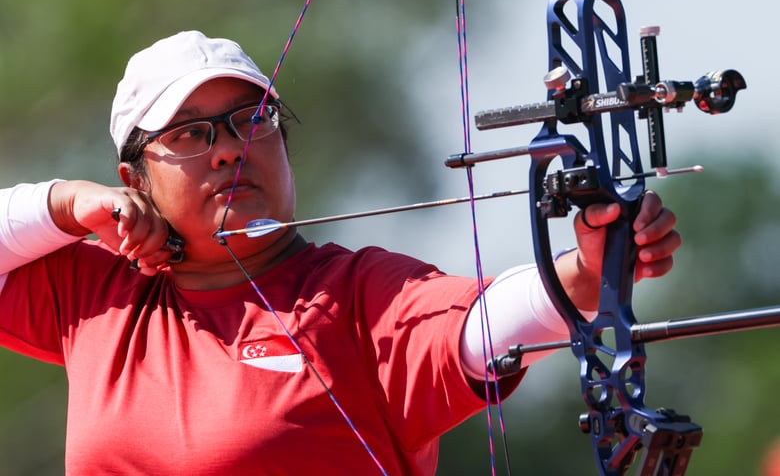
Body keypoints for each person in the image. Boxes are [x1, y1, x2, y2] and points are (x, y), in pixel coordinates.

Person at [0, 30, 680, 475]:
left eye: (251, 119)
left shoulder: (354, 295)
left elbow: (480, 326)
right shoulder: (96, 296)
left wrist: (588, 269)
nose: (231, 147)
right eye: (191, 134)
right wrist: (66, 204)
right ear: (134, 181)